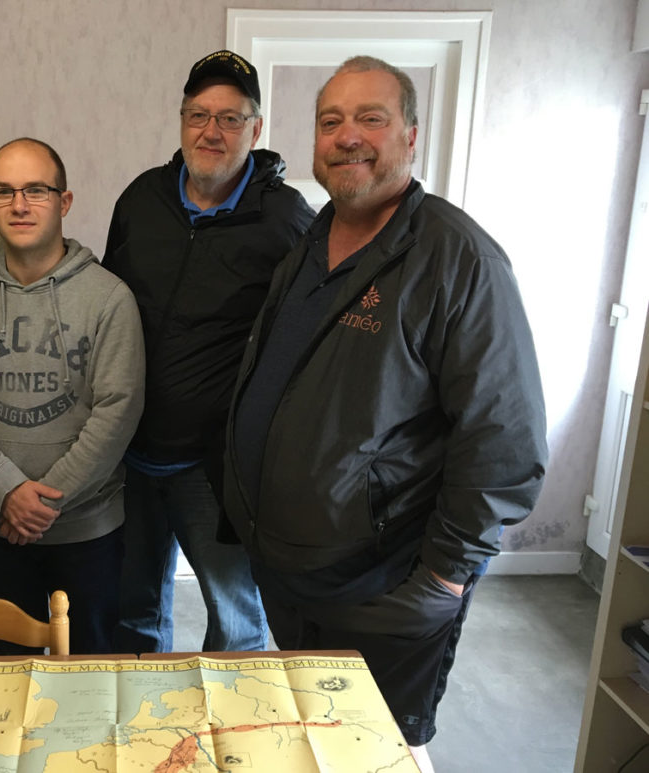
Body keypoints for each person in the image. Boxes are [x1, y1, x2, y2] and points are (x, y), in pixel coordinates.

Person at [223, 56, 548, 770]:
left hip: (386, 584)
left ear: (411, 135)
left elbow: (506, 441)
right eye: (330, 120)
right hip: (293, 571)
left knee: (382, 750)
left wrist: (444, 579)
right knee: (314, 739)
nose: (347, 137)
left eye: (370, 117)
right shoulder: (311, 240)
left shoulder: (459, 260)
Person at [103, 50, 314, 654]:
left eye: (229, 117)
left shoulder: (287, 222)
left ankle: (231, 745)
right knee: (134, 611)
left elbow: (299, 349)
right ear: (181, 121)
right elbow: (109, 309)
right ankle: (144, 734)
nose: (210, 131)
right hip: (129, 457)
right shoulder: (142, 199)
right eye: (198, 114)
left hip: (213, 469)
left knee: (235, 619)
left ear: (256, 128)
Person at [0, 138, 145, 654]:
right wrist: (8, 493)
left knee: (90, 677)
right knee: (8, 677)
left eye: (36, 190)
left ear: (65, 201)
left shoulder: (109, 298)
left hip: (87, 532)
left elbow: (117, 411)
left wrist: (44, 503)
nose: (19, 204)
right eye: (4, 191)